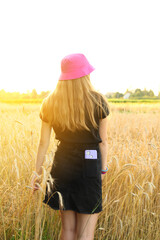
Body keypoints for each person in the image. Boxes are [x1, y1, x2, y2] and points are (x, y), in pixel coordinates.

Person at [30, 53, 110, 240]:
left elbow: (43, 143)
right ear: (85, 75)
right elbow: (103, 141)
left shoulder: (50, 102)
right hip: (90, 164)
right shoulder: (99, 101)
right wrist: (103, 170)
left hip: (62, 163)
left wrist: (37, 173)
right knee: (85, 233)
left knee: (68, 230)